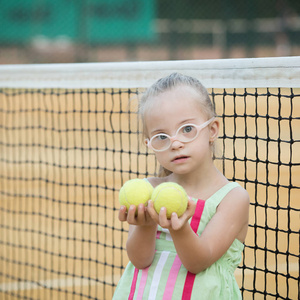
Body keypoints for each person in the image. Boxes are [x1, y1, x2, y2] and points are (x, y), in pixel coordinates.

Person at [113, 73, 250, 299]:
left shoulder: (232, 198)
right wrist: (146, 225)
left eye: (187, 129)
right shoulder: (149, 190)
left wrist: (180, 228)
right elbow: (140, 260)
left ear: (212, 130)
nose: (175, 143)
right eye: (161, 136)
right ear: (149, 143)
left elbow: (198, 262)